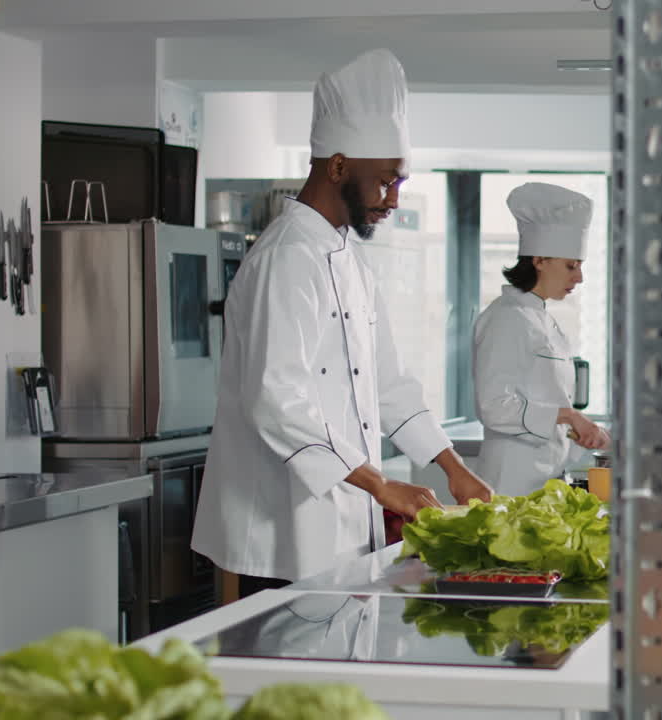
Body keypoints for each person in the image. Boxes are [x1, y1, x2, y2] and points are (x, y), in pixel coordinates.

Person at [192, 49, 492, 597]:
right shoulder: (286, 258)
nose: (393, 200)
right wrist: (380, 484)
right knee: (288, 675)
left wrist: (451, 465)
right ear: (336, 166)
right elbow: (275, 398)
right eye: (384, 182)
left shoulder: (349, 259)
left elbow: (390, 382)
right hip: (277, 528)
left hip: (344, 518)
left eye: (399, 183)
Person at [472, 182, 610, 495]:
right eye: (571, 266)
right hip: (511, 483)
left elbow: (542, 402)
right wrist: (570, 416)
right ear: (539, 260)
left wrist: (583, 432)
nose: (579, 277)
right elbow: (494, 407)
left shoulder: (540, 318)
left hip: (544, 478)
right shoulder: (507, 318)